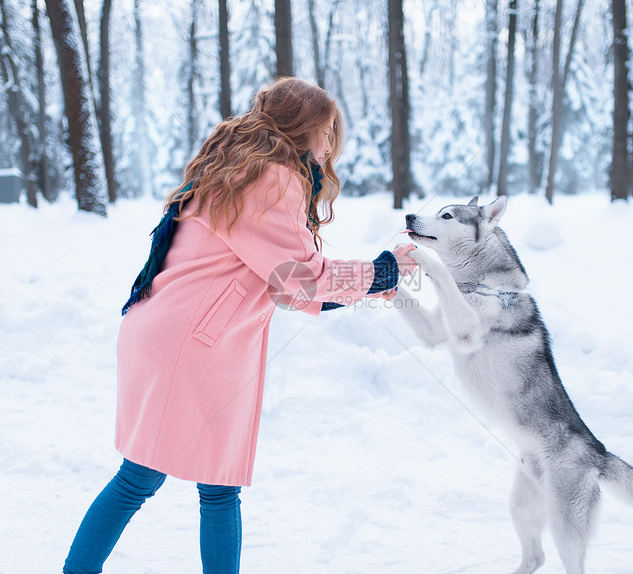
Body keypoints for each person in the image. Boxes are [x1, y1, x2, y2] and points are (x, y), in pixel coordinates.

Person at [62, 77, 416, 574]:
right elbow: (305, 279)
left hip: (175, 333)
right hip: (190, 344)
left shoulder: (242, 169)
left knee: (212, 482)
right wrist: (383, 270)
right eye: (326, 131)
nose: (330, 143)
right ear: (304, 129)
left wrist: (376, 282)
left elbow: (292, 288)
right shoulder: (272, 178)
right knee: (146, 478)